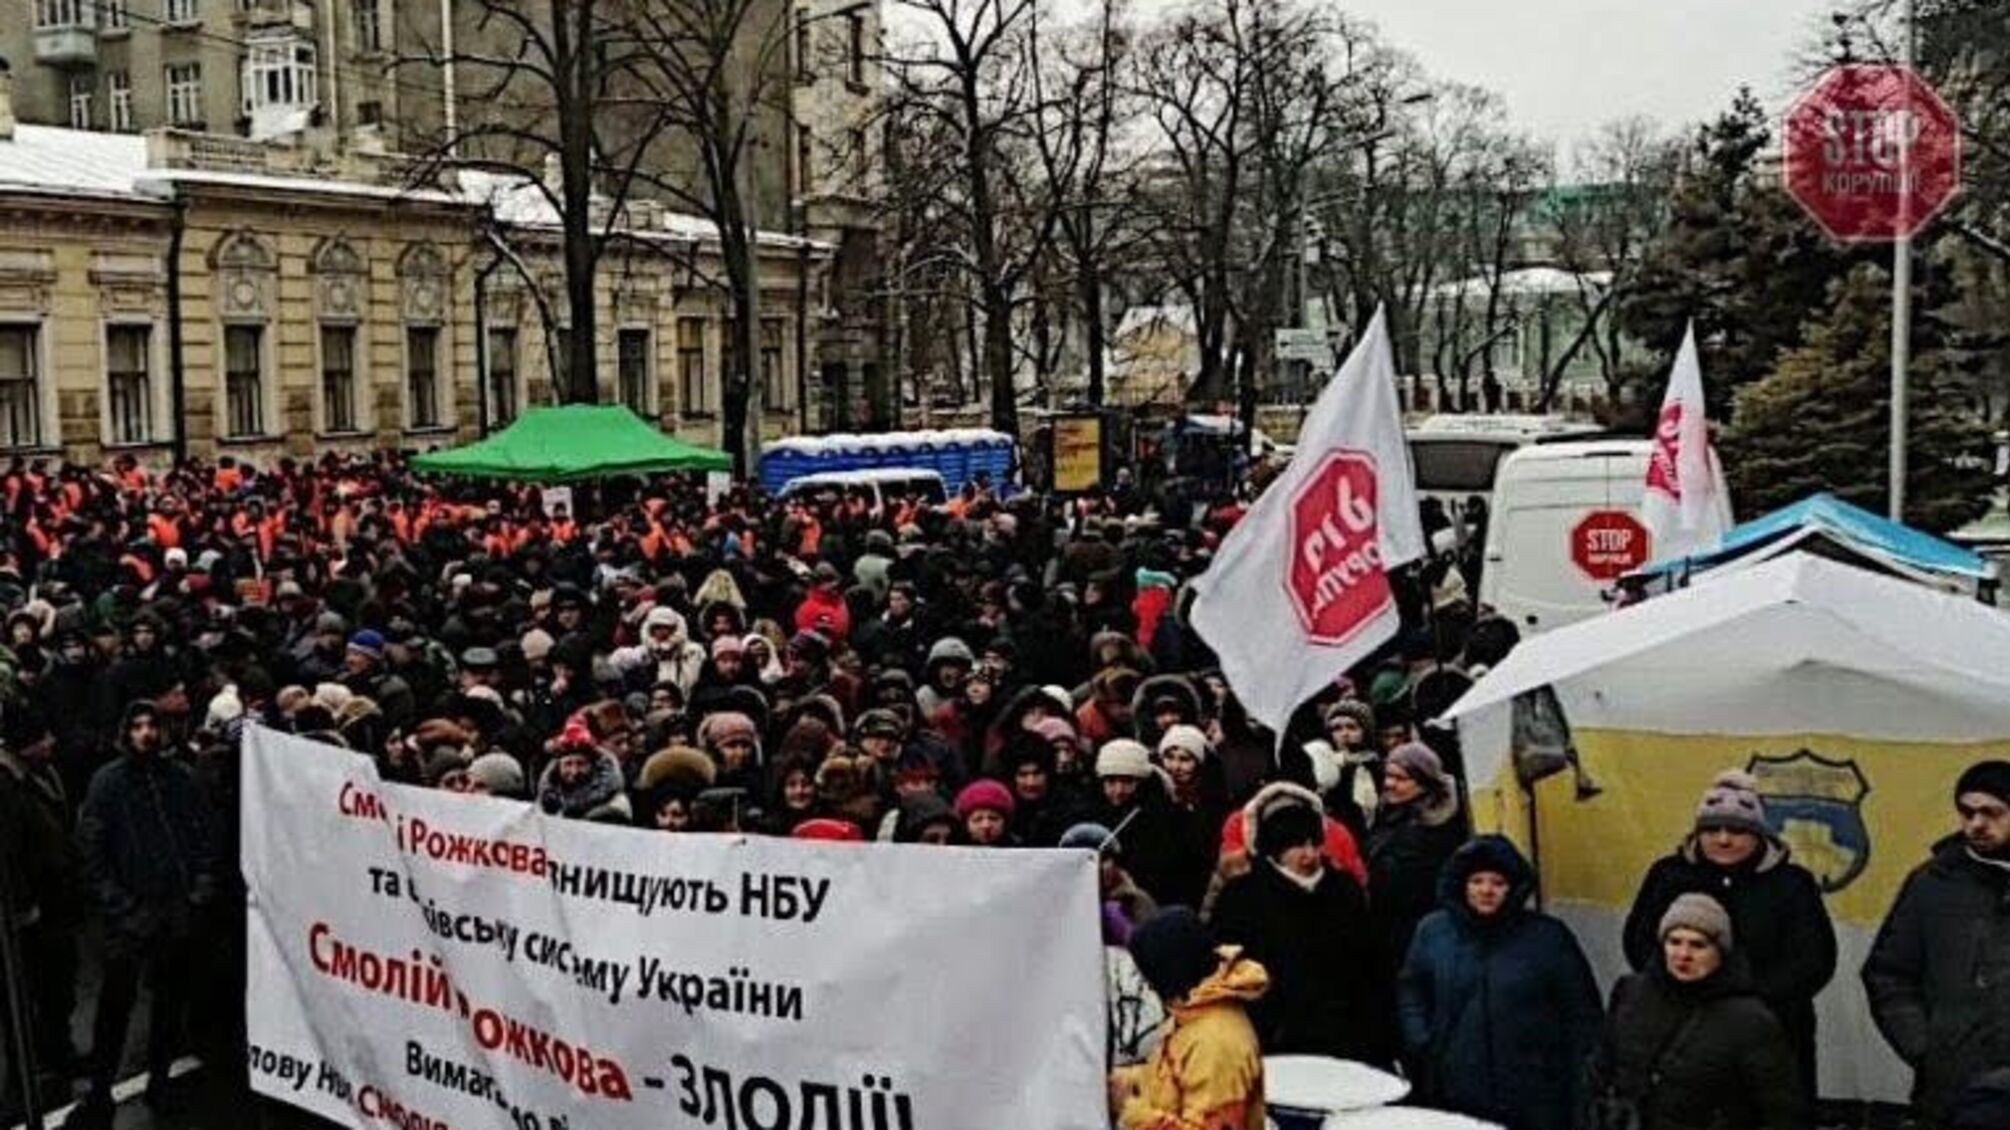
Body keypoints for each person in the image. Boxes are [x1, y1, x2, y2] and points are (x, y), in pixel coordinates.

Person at [1622, 770, 1836, 1100]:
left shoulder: (1792, 884)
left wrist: (1749, 1000)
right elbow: (1639, 942)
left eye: (1737, 830)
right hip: (1679, 1028)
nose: (1723, 839)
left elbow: (1814, 961)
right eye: (1712, 829)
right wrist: (1680, 987)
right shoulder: (1668, 875)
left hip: (1772, 1031)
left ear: (1760, 835)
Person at [73, 700, 221, 1127]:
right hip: (130, 919)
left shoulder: (180, 779)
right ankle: (100, 1093)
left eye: (152, 725)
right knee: (114, 1011)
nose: (145, 734)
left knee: (169, 1008)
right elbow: (92, 854)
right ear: (126, 732)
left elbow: (204, 838)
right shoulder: (107, 784)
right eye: (137, 726)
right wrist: (121, 907)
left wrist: (198, 893)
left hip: (176, 914)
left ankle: (159, 1081)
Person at [1398, 836, 1601, 1130]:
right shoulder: (1434, 931)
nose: (1486, 891)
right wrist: (1420, 1037)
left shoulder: (1548, 938)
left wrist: (1578, 1087)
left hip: (1531, 1096)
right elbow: (1411, 987)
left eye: (1497, 882)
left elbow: (1582, 1014)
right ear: (1462, 885)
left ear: (1513, 888)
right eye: (1477, 881)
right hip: (1454, 1089)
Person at [1863, 760, 2010, 1125]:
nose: (1977, 823)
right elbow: (1888, 973)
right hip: (1955, 1086)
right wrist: (1927, 1048)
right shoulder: (1932, 883)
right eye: (1967, 812)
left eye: (1992, 813)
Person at [1590, 893, 1803, 1130]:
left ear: (1720, 951)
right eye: (1674, 942)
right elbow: (1601, 1069)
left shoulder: (1750, 1020)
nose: (1683, 955)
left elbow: (1782, 1109)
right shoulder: (1631, 994)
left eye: (1698, 945)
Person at [1208, 789, 1382, 1063]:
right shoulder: (1242, 897)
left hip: (1344, 1040)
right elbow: (1227, 969)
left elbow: (1371, 965)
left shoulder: (1344, 890)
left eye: (1314, 843)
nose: (1309, 854)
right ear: (1274, 849)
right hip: (1274, 1040)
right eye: (1297, 845)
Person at [1109, 908, 1268, 1130]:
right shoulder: (1192, 1013)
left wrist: (1131, 1111)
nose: (1147, 985)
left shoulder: (1216, 1045)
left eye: (1149, 975)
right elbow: (1175, 1077)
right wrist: (1130, 1078)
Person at [1365, 741, 1466, 973]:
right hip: (1387, 931)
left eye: (1401, 778)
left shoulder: (1439, 830)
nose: (1390, 784)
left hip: (1420, 932)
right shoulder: (1388, 816)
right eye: (1388, 776)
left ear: (1423, 783)